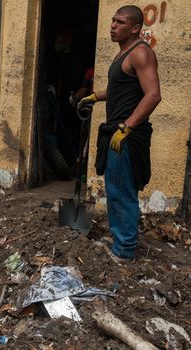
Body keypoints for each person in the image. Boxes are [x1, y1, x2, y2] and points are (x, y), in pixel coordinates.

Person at [77, 5, 161, 263]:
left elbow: (153, 95)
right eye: (113, 20)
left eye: (120, 22)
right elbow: (123, 90)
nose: (113, 25)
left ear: (135, 28)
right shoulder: (123, 53)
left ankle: (124, 250)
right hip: (116, 132)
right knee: (114, 188)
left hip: (126, 136)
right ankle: (119, 239)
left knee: (122, 190)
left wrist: (127, 127)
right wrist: (96, 96)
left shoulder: (140, 53)